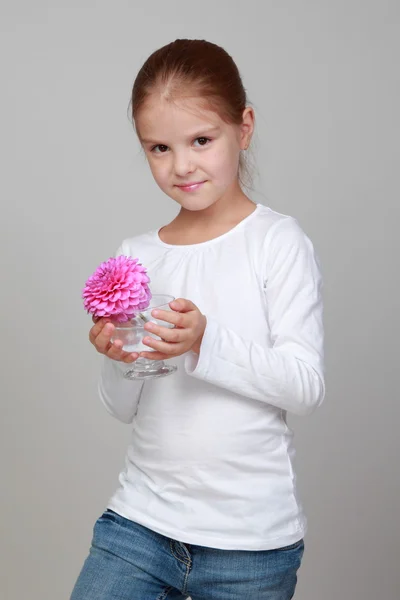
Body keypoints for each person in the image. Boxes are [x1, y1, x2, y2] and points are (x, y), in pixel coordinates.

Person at [71, 38, 325, 600]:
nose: (181, 165)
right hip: (139, 525)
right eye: (159, 148)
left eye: (202, 140)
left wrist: (204, 341)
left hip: (250, 544)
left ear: (245, 127)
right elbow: (122, 407)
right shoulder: (138, 254)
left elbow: (305, 387)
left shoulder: (276, 242)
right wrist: (117, 357)